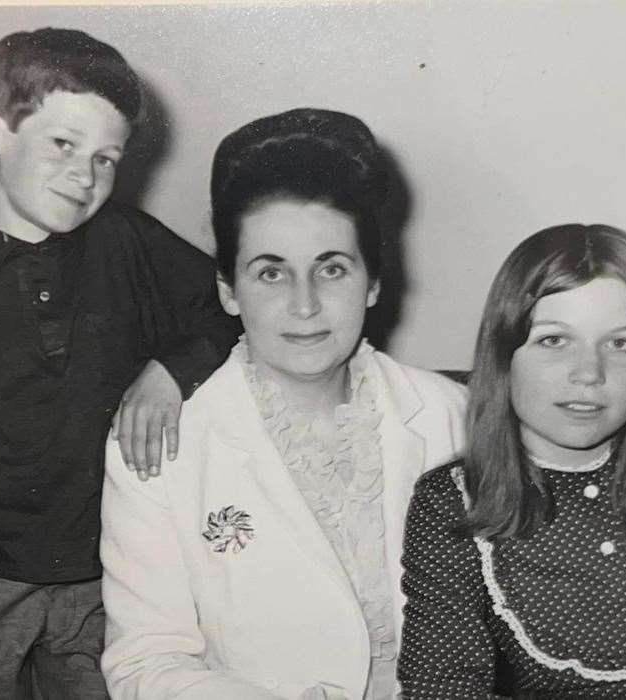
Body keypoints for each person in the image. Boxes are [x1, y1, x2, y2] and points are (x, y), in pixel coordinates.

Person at [0, 28, 240, 698]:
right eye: (63, 144)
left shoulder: (128, 240)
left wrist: (169, 371)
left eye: (106, 158)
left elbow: (231, 311)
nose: (85, 174)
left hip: (111, 569)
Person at [100, 108, 468, 700]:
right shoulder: (163, 448)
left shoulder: (453, 417)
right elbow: (145, 663)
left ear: (372, 282)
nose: (305, 305)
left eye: (332, 269)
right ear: (227, 289)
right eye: (271, 273)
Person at [397, 224, 626, 698]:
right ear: (504, 355)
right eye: (554, 341)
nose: (589, 374)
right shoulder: (451, 504)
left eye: (621, 343)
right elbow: (442, 688)